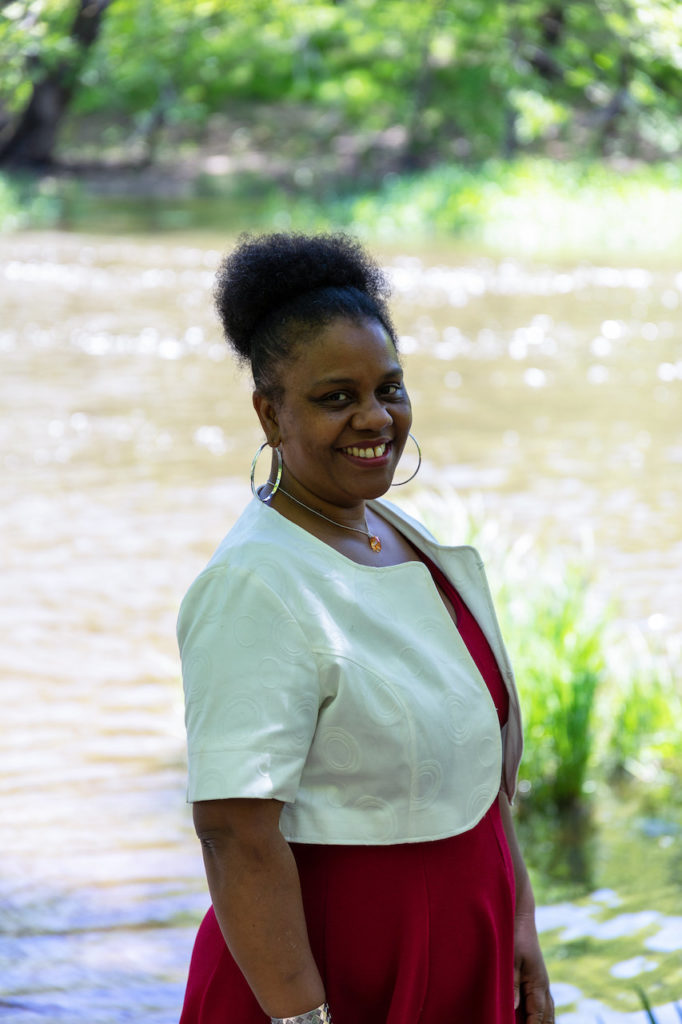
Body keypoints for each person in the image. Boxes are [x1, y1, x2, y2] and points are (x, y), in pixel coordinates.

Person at [177, 232, 554, 1024]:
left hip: (468, 940)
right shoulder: (255, 584)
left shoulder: (404, 538)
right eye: (336, 397)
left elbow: (477, 774)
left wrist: (518, 919)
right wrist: (302, 1019)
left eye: (389, 388)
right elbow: (235, 831)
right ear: (269, 413)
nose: (376, 417)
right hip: (330, 973)